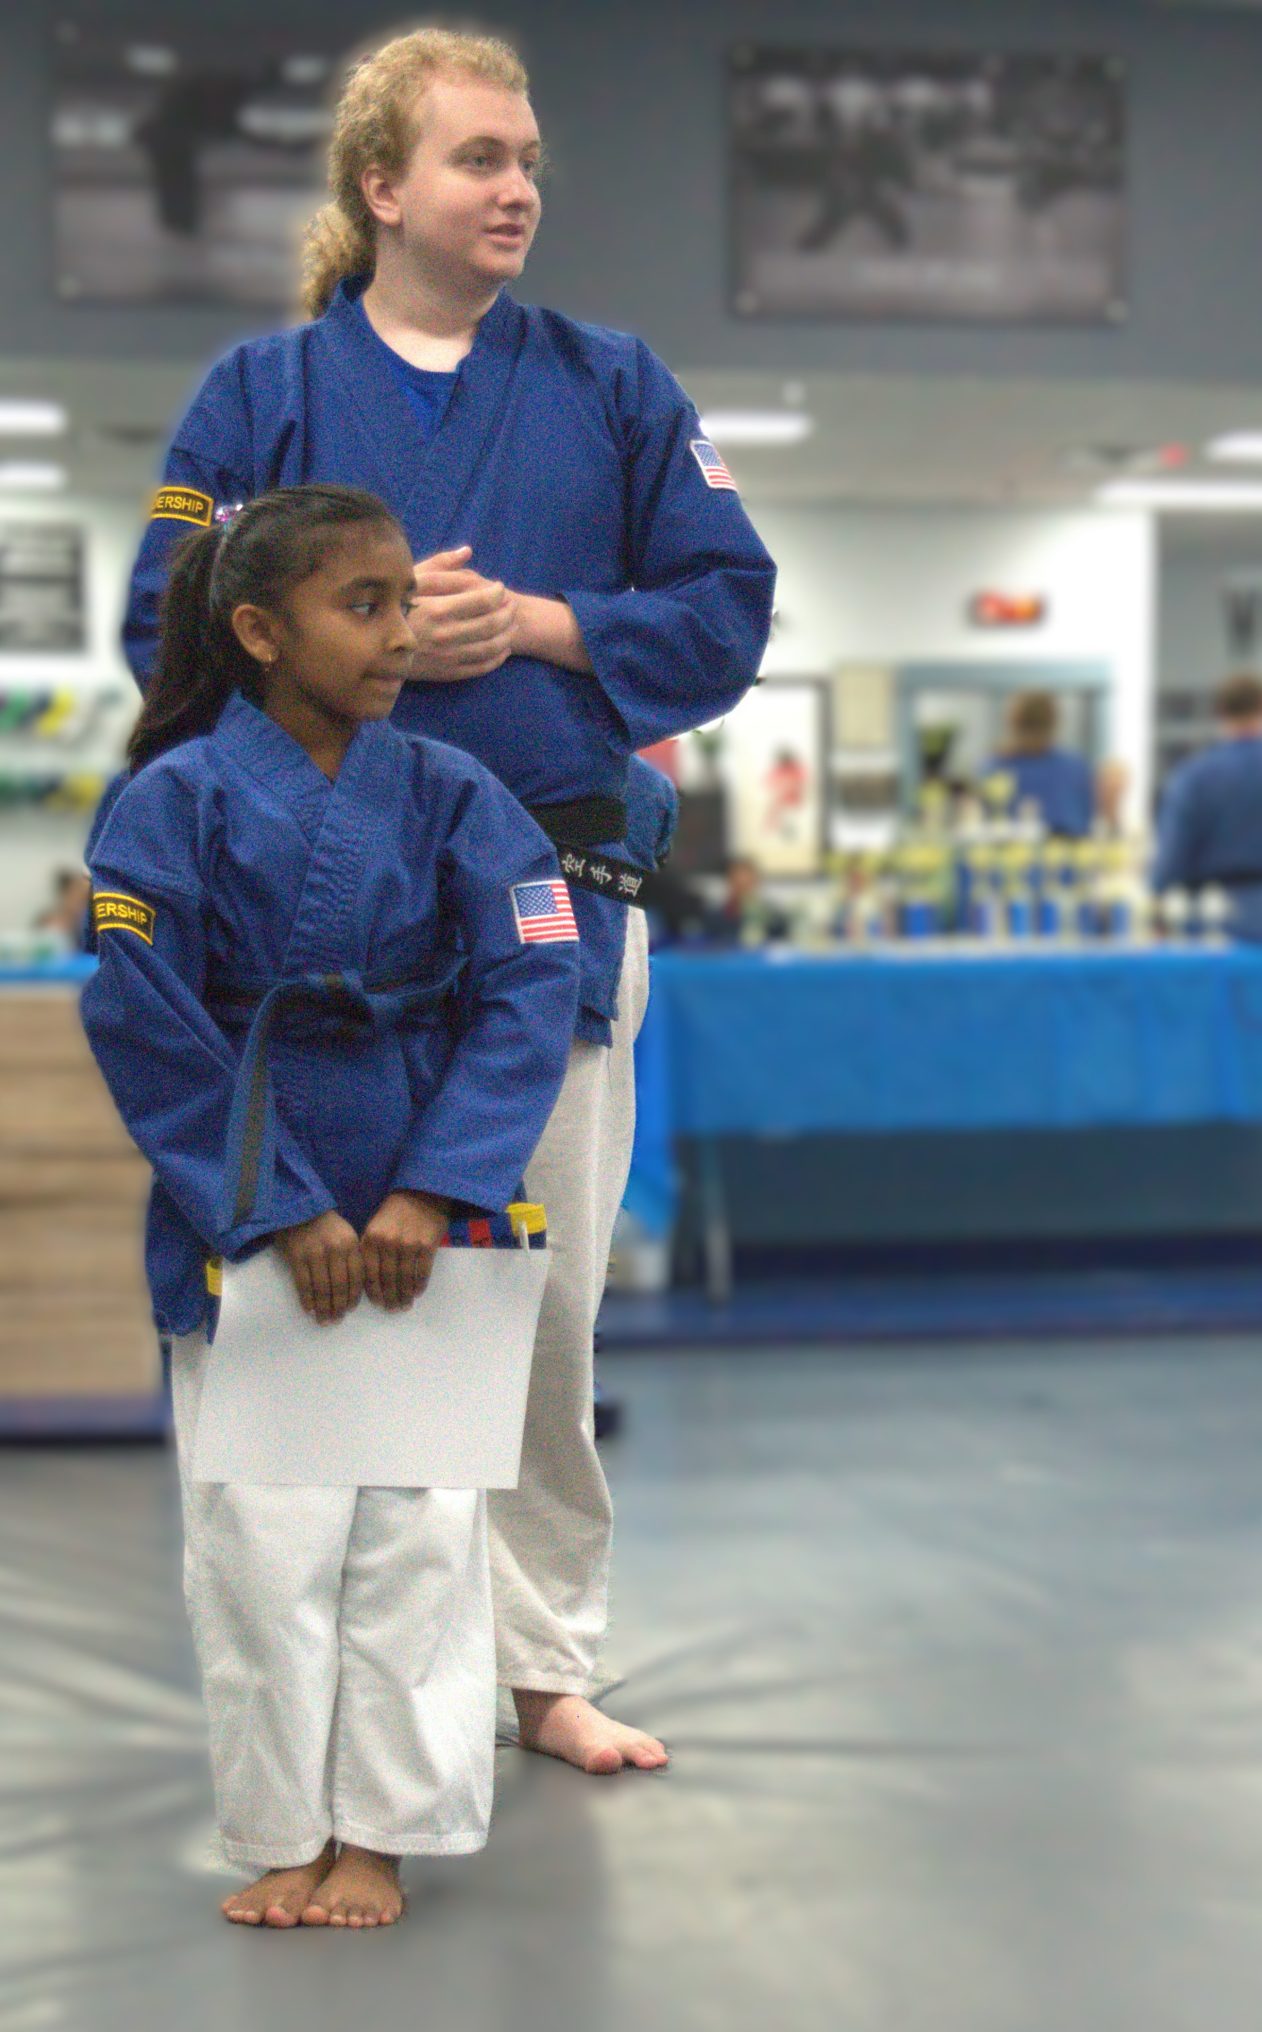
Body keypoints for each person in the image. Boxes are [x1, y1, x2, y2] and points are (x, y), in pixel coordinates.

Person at [122, 28, 777, 1778]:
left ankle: (541, 1662)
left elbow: (729, 603)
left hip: (549, 905)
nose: (517, 188)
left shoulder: (611, 384)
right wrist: (368, 650)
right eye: (480, 158)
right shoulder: (261, 392)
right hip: (305, 938)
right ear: (382, 187)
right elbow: (160, 624)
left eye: (529, 159)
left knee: (537, 1304)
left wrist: (546, 626)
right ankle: (328, 1687)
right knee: (322, 1297)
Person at [82, 485, 580, 1927]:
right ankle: (284, 1829)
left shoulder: (455, 793)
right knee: (260, 1546)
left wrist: (439, 1184)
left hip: (427, 1204)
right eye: (364, 605)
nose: (401, 633)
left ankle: (383, 1834)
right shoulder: (170, 800)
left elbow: (535, 976)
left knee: (420, 1545)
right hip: (249, 1209)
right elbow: (147, 1020)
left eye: (405, 601)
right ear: (258, 630)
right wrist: (274, 1206)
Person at [1152, 672, 1262, 944]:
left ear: (1220, 711)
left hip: (1213, 915)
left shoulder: (1193, 777)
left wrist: (1157, 895)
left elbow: (1172, 857)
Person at [988, 688, 1096, 838]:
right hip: (1065, 846)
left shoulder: (996, 766)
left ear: (1012, 723)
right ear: (1055, 722)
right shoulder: (1074, 766)